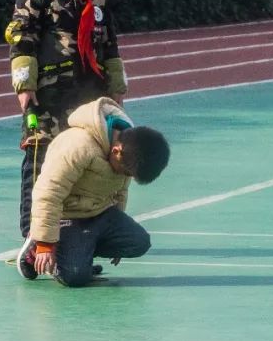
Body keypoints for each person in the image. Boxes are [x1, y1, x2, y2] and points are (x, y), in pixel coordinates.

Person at [6, 0, 127, 238]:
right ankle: (32, 235)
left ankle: (79, 231)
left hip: (90, 95)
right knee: (41, 158)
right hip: (49, 95)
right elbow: (21, 41)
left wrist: (117, 85)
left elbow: (110, 43)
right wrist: (24, 85)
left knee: (87, 159)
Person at [16, 97, 170, 286]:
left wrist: (116, 244)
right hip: (67, 216)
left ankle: (78, 254)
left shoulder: (131, 151)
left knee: (138, 242)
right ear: (116, 151)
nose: (124, 176)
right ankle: (37, 248)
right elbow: (48, 193)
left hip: (99, 213)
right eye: (125, 172)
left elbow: (120, 192)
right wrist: (45, 244)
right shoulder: (78, 146)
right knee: (75, 277)